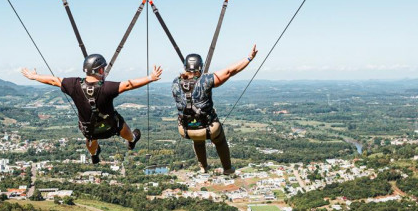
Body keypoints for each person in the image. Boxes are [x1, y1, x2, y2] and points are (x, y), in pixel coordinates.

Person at [22, 54, 162, 164]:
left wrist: (34, 76)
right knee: (121, 125)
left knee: (90, 138)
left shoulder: (74, 85)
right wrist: (151, 77)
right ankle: (132, 139)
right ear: (100, 70)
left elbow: (53, 80)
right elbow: (129, 85)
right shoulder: (107, 87)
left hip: (89, 129)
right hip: (110, 126)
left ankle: (93, 154)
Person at [172, 45, 258, 174]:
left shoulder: (175, 82)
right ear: (200, 66)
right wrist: (249, 58)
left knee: (197, 138)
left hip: (185, 130)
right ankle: (227, 168)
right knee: (220, 140)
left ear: (185, 67)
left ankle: (203, 167)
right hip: (210, 128)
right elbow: (229, 71)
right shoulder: (205, 80)